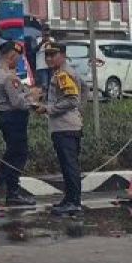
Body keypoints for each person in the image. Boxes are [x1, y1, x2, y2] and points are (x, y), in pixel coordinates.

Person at [0, 41, 38, 207]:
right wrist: (32, 97)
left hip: (4, 115)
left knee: (12, 151)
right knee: (19, 154)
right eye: (18, 58)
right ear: (11, 56)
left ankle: (2, 181)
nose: (19, 61)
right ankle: (12, 191)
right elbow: (17, 102)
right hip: (14, 117)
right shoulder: (9, 77)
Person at [36, 41, 85, 216]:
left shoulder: (63, 74)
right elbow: (83, 91)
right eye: (47, 55)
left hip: (66, 127)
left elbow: (72, 99)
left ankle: (74, 202)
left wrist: (48, 109)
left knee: (70, 165)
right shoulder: (59, 73)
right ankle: (69, 198)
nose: (49, 58)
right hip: (64, 126)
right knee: (66, 165)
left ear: (62, 55)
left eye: (53, 55)